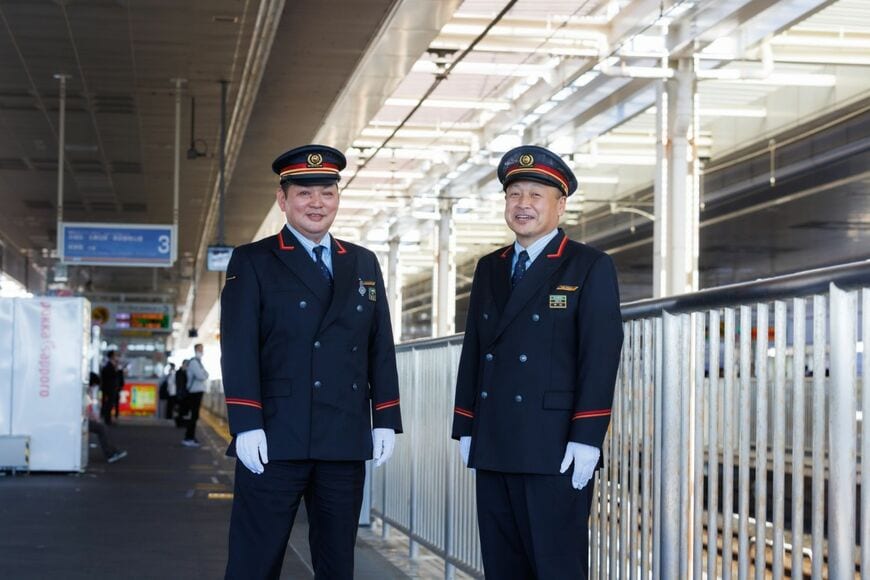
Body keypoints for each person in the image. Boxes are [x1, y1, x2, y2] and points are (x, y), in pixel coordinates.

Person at [221, 144, 403, 579]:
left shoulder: (362, 262)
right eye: (304, 193)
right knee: (254, 559)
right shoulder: (254, 260)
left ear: (338, 198)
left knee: (337, 562)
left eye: (326, 192)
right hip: (274, 438)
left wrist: (385, 418)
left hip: (341, 436)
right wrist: (246, 423)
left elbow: (380, 344)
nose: (316, 203)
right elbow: (239, 346)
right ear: (283, 200)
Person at [451, 145, 624, 579]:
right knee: (501, 565)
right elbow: (475, 350)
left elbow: (600, 356)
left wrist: (587, 436)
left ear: (560, 204)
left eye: (535, 195)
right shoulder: (491, 266)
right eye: (514, 194)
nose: (523, 205)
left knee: (555, 566)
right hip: (494, 441)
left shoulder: (588, 266)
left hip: (554, 447)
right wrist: (466, 424)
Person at [87, 372, 127, 463]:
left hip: (84, 419)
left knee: (103, 428)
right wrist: (93, 417)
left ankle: (113, 451)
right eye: (93, 386)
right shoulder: (85, 393)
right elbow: (87, 409)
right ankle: (111, 453)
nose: (93, 388)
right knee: (102, 428)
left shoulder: (85, 392)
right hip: (82, 421)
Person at [181, 345, 209, 447]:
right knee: (193, 416)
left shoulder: (198, 362)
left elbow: (206, 374)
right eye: (201, 349)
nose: (202, 351)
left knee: (194, 416)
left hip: (197, 392)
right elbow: (202, 376)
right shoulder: (194, 362)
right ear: (196, 350)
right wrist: (204, 374)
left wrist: (204, 374)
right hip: (194, 392)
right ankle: (188, 438)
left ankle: (191, 437)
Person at [99, 350, 123, 425]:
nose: (116, 357)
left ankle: (109, 419)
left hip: (112, 388)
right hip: (109, 388)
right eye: (115, 355)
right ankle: (107, 419)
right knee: (109, 404)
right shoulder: (108, 366)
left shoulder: (112, 365)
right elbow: (110, 377)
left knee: (111, 403)